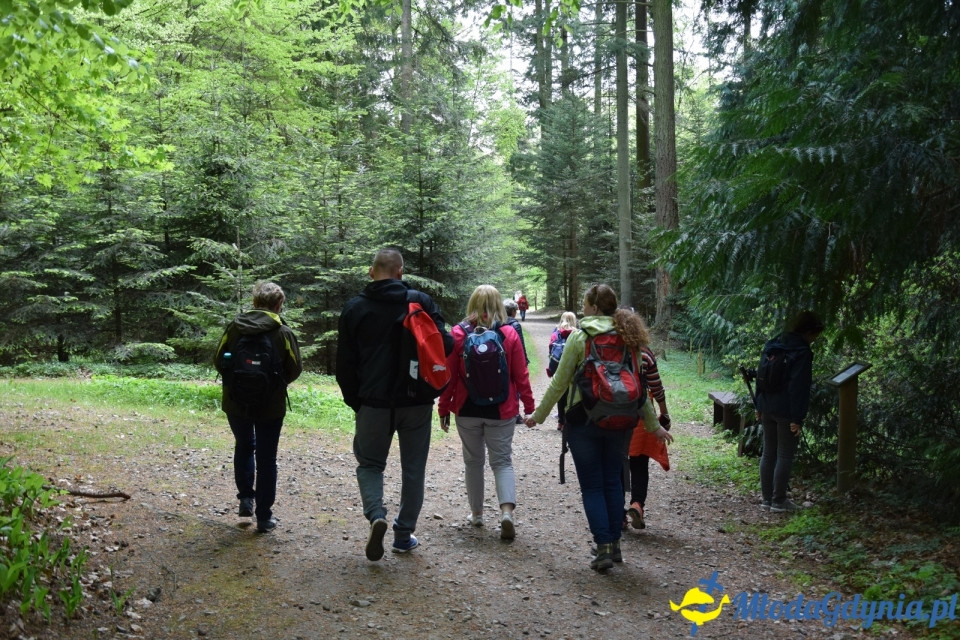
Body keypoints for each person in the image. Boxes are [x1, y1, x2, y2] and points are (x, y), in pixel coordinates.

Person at [526, 284, 672, 571]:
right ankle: (614, 545)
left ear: (594, 307)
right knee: (612, 481)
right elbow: (639, 389)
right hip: (621, 422)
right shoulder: (629, 338)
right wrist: (654, 426)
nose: (582, 308)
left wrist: (538, 415)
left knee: (592, 485)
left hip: (584, 421)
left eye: (585, 304)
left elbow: (559, 382)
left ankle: (603, 545)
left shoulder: (581, 337)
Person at [336, 249, 454, 560]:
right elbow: (447, 344)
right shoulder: (420, 302)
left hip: (373, 403)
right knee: (413, 470)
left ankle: (377, 514)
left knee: (370, 464)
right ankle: (403, 536)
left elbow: (344, 364)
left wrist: (356, 402)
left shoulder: (355, 307)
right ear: (400, 272)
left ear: (372, 271)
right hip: (416, 401)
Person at [437, 285, 535, 540]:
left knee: (473, 461)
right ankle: (506, 513)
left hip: (467, 410)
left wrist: (444, 407)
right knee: (502, 461)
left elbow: (449, 377)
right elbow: (520, 374)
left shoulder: (458, 334)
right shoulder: (509, 333)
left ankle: (477, 514)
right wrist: (529, 406)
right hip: (501, 410)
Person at [214, 281, 303, 533]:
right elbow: (295, 367)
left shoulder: (234, 328)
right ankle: (264, 517)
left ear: (254, 303)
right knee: (267, 458)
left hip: (236, 402)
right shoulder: (283, 332)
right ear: (278, 305)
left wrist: (238, 383)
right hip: (270, 405)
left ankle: (245, 501)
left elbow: (218, 361)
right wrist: (274, 384)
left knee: (244, 446)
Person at [755, 310, 824, 513]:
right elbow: (799, 387)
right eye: (815, 335)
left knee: (768, 452)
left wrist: (758, 405)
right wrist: (797, 418)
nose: (814, 340)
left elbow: (760, 374)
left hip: (766, 405)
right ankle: (779, 501)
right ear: (808, 332)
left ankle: (767, 499)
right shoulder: (801, 352)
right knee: (784, 454)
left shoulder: (774, 343)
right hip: (786, 410)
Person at [625, 346, 672, 530]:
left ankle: (618, 516)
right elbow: (656, 386)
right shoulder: (644, 353)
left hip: (610, 415)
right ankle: (637, 504)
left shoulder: (606, 346)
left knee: (615, 465)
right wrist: (664, 414)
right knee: (639, 463)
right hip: (640, 416)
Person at [547, 312, 578, 430]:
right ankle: (569, 421)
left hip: (557, 364)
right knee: (572, 393)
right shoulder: (577, 332)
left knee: (560, 393)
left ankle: (561, 422)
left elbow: (551, 346)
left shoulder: (556, 330)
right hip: (571, 365)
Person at [503, 299, 529, 425]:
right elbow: (520, 344)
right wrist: (524, 360)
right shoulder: (515, 324)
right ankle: (516, 414)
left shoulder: (499, 322)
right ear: (513, 311)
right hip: (514, 358)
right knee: (516, 386)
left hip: (503, 359)